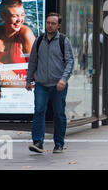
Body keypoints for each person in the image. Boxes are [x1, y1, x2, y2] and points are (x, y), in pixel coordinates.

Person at [26, 12, 74, 154]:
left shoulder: (63, 41)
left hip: (58, 85)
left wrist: (63, 79)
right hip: (41, 84)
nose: (50, 25)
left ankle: (59, 143)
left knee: (59, 114)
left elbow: (70, 61)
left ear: (58, 25)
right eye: (48, 23)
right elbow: (33, 60)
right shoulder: (39, 40)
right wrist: (29, 80)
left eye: (53, 23)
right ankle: (37, 142)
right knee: (39, 111)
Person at [0, 0, 36, 85]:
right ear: (2, 16)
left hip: (22, 88)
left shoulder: (25, 34)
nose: (20, 20)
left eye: (22, 15)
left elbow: (37, 68)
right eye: (15, 16)